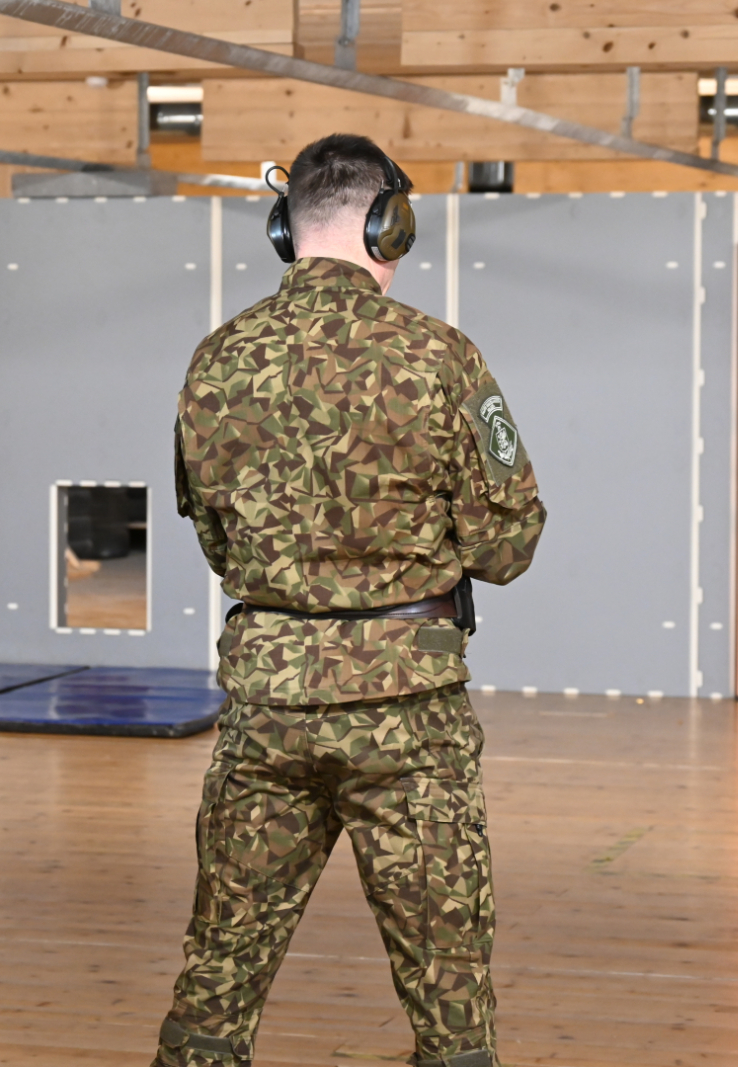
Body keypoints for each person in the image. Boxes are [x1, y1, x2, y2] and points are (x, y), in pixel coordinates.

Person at [153, 134, 547, 1067]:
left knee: (215, 989)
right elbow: (507, 544)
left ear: (286, 233)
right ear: (387, 224)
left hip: (267, 710)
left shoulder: (218, 359)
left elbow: (215, 537)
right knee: (452, 1010)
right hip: (406, 719)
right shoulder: (440, 357)